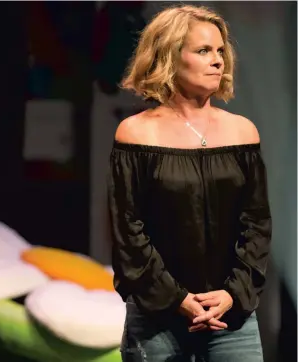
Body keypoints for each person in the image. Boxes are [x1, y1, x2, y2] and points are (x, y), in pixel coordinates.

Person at [107, 5, 271, 362]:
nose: (218, 61)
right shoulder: (137, 133)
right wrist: (178, 300)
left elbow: (257, 224)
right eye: (203, 51)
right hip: (158, 317)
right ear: (169, 57)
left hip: (232, 316)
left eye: (219, 51)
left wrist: (231, 295)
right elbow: (128, 231)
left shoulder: (242, 131)